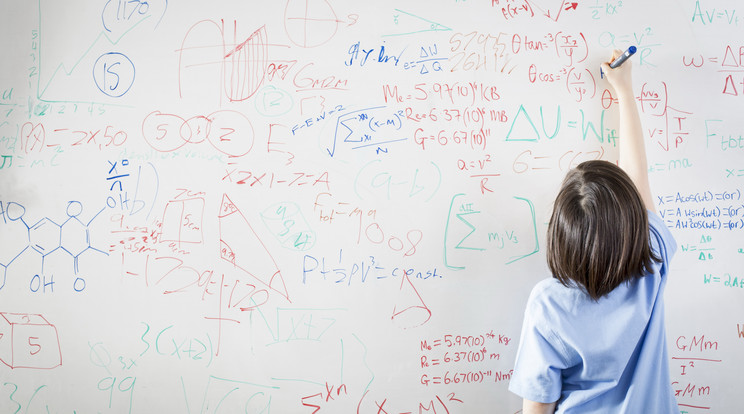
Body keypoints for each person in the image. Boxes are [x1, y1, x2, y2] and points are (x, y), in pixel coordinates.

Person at [507, 50, 680, 413]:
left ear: (560, 233)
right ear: (632, 223)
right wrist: (624, 89)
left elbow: (537, 407)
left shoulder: (549, 304)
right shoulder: (652, 263)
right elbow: (637, 172)